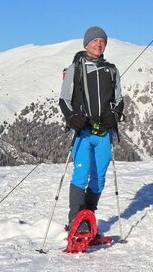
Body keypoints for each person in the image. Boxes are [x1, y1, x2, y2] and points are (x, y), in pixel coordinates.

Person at [59, 26, 124, 234]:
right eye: (95, 41)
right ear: (86, 43)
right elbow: (64, 99)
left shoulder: (111, 70)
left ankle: (87, 216)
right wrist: (72, 117)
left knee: (99, 178)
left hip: (104, 133)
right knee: (81, 174)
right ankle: (74, 221)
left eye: (102, 41)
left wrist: (113, 116)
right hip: (82, 132)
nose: (99, 44)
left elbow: (119, 99)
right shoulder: (75, 68)